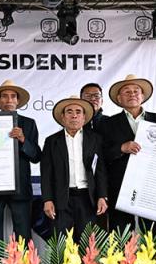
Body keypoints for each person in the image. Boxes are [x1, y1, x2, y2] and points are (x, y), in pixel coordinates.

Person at [96, 74, 156, 236]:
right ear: (119, 98)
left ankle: (153, 262)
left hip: (152, 187)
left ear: (143, 96)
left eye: (136, 91)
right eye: (127, 92)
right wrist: (121, 148)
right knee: (121, 235)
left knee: (153, 235)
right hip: (119, 188)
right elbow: (100, 156)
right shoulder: (107, 124)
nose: (132, 94)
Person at [0, 80, 41, 264]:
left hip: (20, 187)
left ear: (18, 101)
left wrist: (23, 139)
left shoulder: (29, 124)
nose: (9, 99)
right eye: (5, 96)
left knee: (23, 232)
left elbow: (36, 156)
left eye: (13, 96)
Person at [41, 95, 108, 242]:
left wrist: (102, 196)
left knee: (87, 246)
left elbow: (101, 170)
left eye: (78, 112)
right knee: (61, 246)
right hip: (61, 200)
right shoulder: (52, 141)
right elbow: (46, 173)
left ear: (84, 117)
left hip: (88, 199)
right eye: (69, 112)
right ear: (63, 117)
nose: (74, 115)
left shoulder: (95, 139)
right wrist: (47, 199)